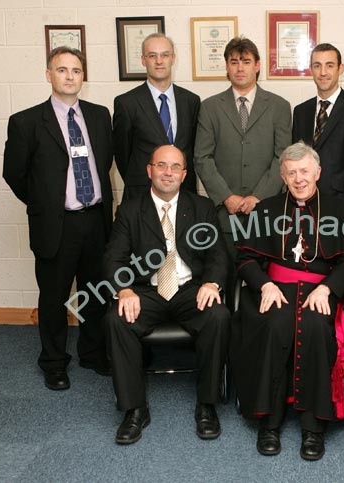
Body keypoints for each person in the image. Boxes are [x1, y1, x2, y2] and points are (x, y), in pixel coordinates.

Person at [231, 142, 344, 461]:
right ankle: (269, 422)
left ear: (318, 172)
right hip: (276, 288)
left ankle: (313, 426)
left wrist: (329, 289)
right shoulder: (267, 210)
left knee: (317, 326)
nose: (299, 179)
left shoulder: (339, 209)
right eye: (292, 173)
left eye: (305, 171)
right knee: (275, 323)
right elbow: (245, 258)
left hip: (320, 290)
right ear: (282, 175)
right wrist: (263, 285)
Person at [3, 46, 114, 391]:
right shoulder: (26, 121)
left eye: (76, 70)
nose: (70, 76)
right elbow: (14, 174)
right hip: (56, 224)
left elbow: (105, 161)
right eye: (62, 70)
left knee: (95, 291)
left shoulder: (99, 115)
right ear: (48, 74)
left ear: (84, 76)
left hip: (95, 219)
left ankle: (93, 352)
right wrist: (45, 205)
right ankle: (53, 362)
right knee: (53, 296)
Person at [103, 144, 230, 445]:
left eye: (175, 167)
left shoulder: (201, 207)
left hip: (190, 289)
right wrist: (124, 289)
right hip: (147, 290)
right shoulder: (131, 209)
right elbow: (113, 258)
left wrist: (212, 283)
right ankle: (135, 409)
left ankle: (207, 404)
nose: (168, 172)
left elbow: (218, 255)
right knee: (116, 320)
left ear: (185, 174)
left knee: (218, 316)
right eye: (161, 165)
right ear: (150, 171)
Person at [194, 36, 291, 255]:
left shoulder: (280, 106)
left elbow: (282, 158)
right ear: (226, 66)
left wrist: (259, 197)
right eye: (234, 61)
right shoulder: (210, 107)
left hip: (266, 211)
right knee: (225, 271)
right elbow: (202, 157)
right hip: (225, 211)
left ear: (257, 66)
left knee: (264, 277)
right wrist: (226, 197)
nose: (240, 68)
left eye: (246, 61)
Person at [113, 33, 200, 199]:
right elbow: (122, 155)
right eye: (152, 55)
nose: (159, 61)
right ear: (143, 60)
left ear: (173, 58)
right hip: (141, 194)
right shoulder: (127, 103)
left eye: (165, 55)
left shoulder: (191, 101)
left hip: (184, 193)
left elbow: (193, 149)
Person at [292, 43, 344, 217]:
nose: (323, 72)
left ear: (340, 69)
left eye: (330, 65)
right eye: (317, 66)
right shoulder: (300, 111)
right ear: (311, 69)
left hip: (340, 207)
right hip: (304, 204)